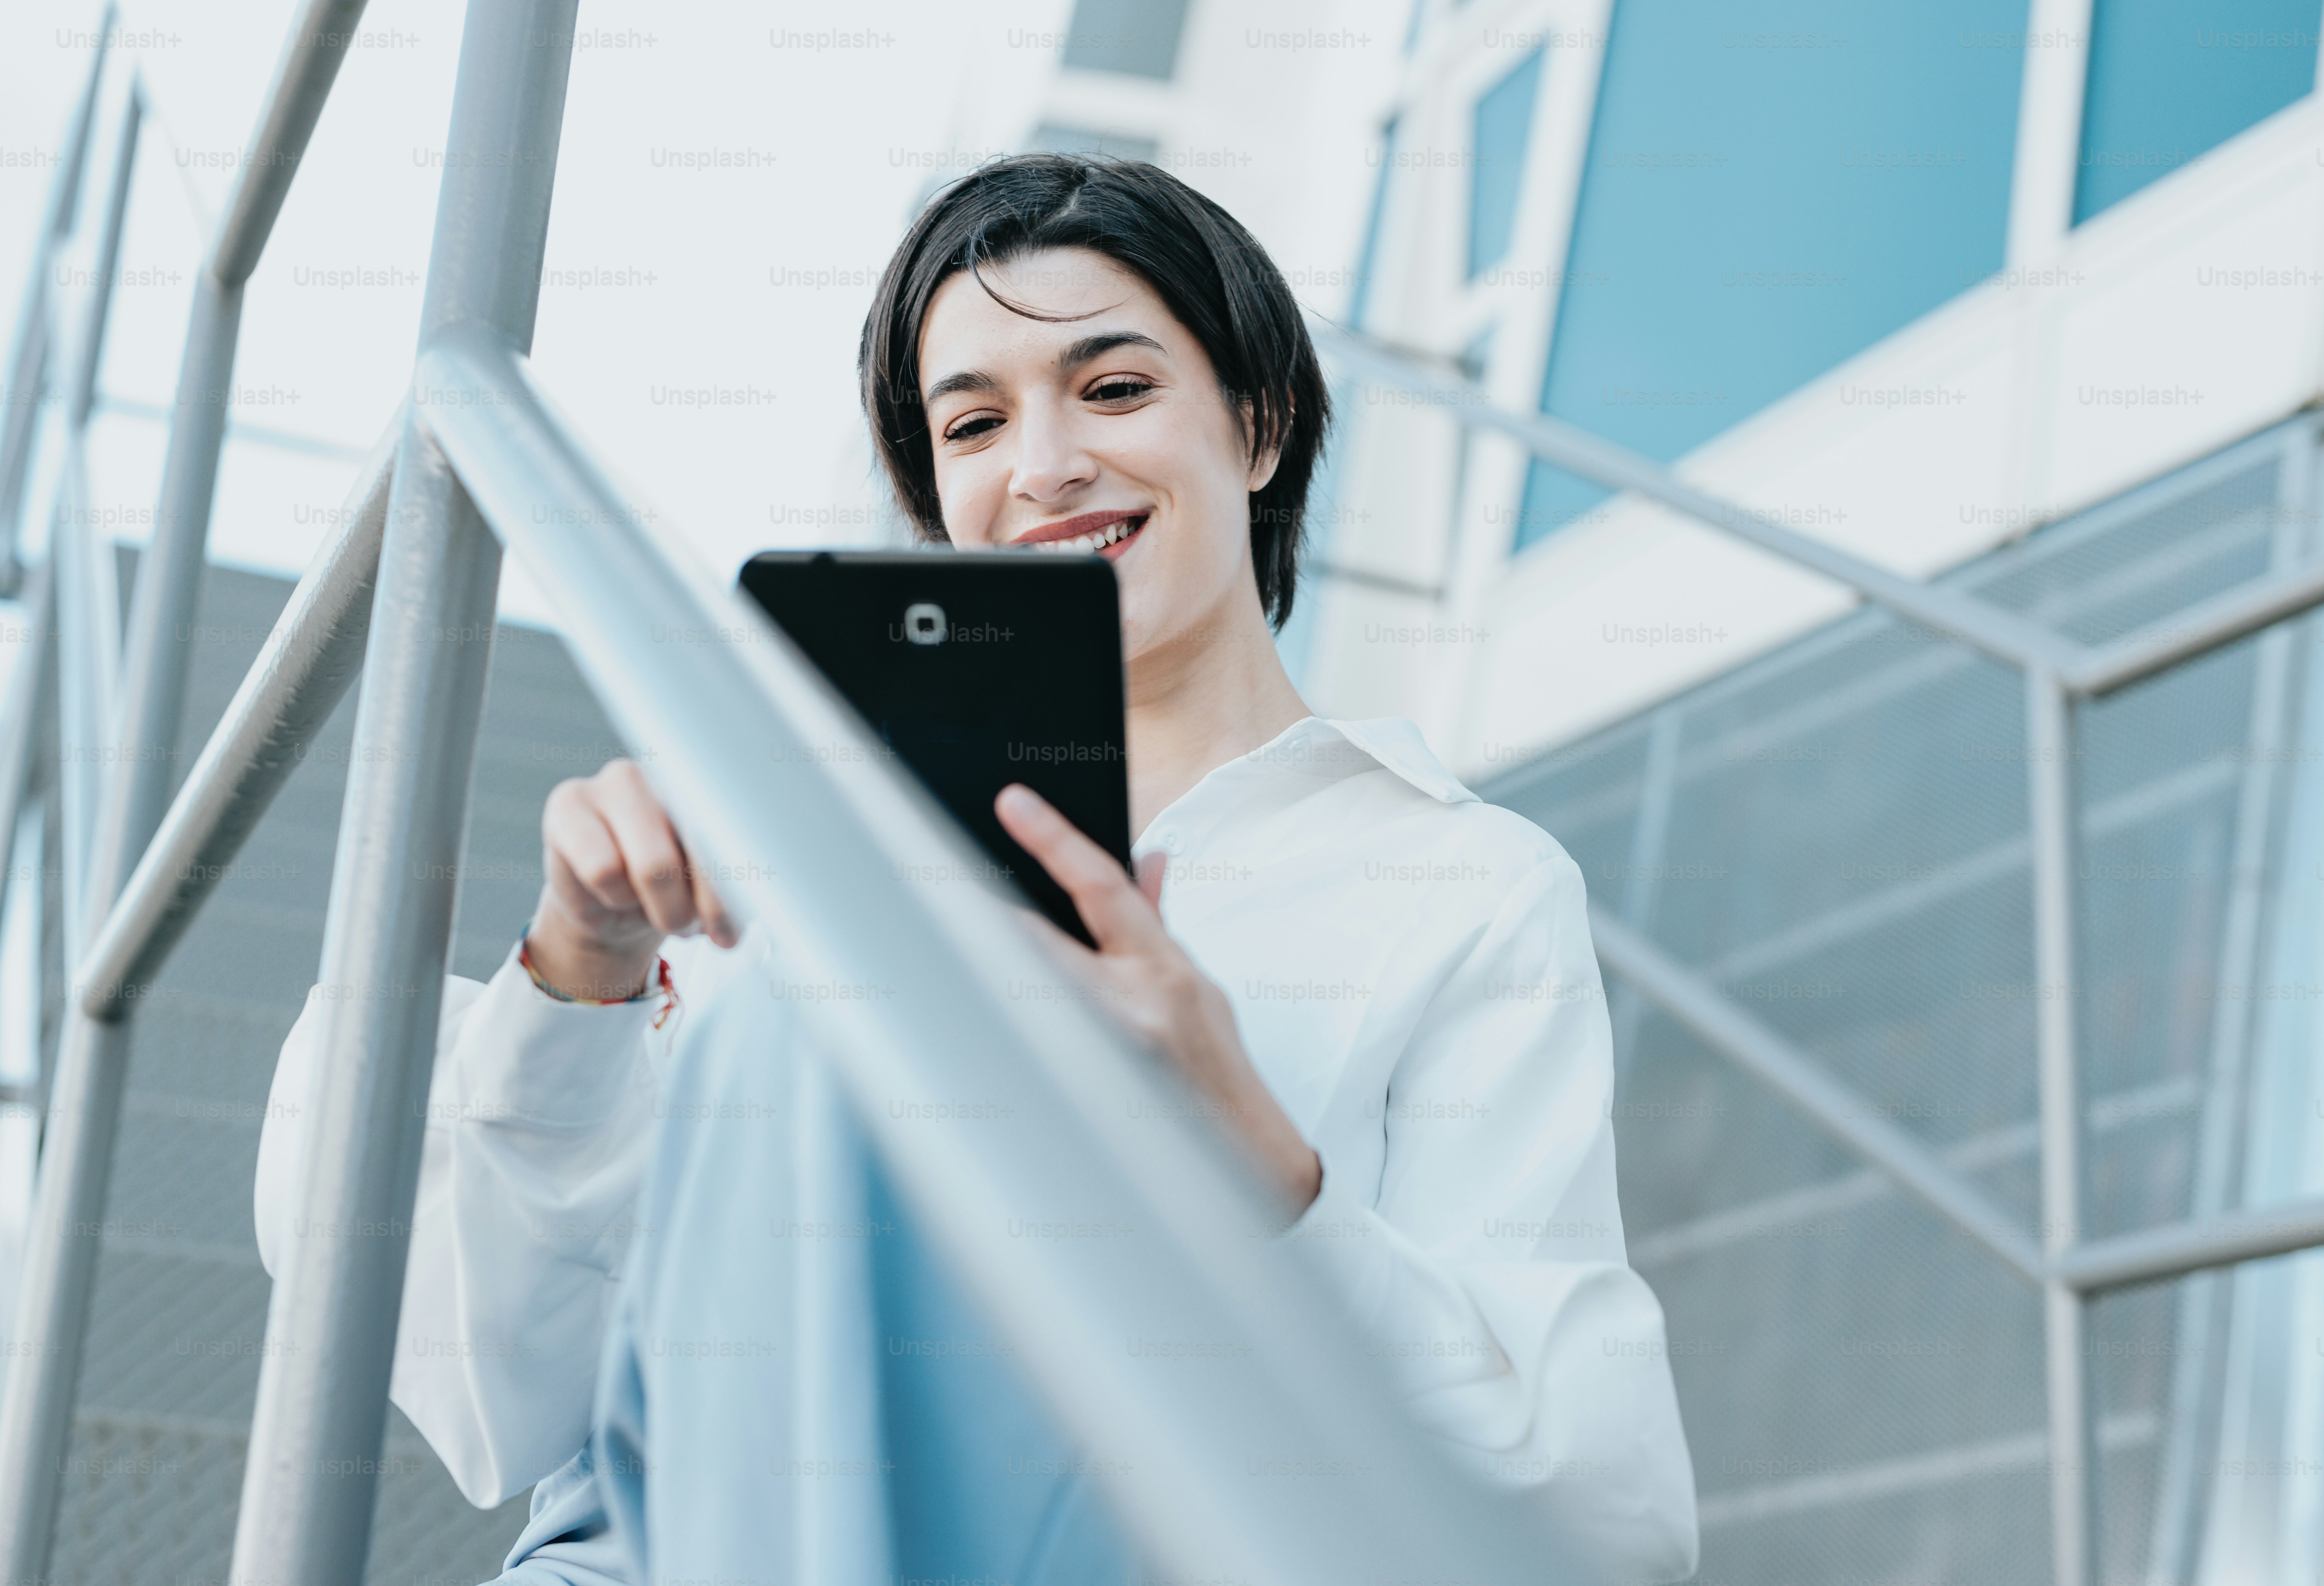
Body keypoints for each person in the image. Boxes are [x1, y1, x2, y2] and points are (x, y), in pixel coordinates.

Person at [255, 153, 1698, 1581]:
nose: (1046, 465)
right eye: (974, 424)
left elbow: (1607, 1525)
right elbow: (513, 1407)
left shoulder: (1460, 882)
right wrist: (581, 978)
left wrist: (1254, 1151)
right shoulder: (782, 844)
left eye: (1116, 388)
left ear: (1257, 428)